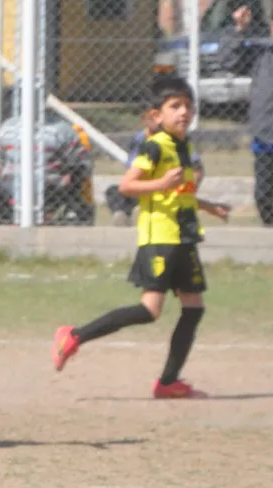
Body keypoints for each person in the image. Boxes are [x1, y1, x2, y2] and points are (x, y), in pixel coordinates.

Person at [53, 76, 230, 398]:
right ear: (157, 115)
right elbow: (127, 185)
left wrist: (208, 207)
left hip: (185, 236)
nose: (184, 112)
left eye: (188, 106)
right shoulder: (155, 145)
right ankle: (74, 336)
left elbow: (179, 193)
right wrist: (160, 183)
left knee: (194, 308)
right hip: (160, 238)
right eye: (175, 106)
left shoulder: (185, 146)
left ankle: (168, 382)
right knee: (150, 310)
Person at [249, 18, 273, 225]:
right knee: (265, 191)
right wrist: (238, 30)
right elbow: (228, 60)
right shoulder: (261, 52)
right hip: (266, 130)